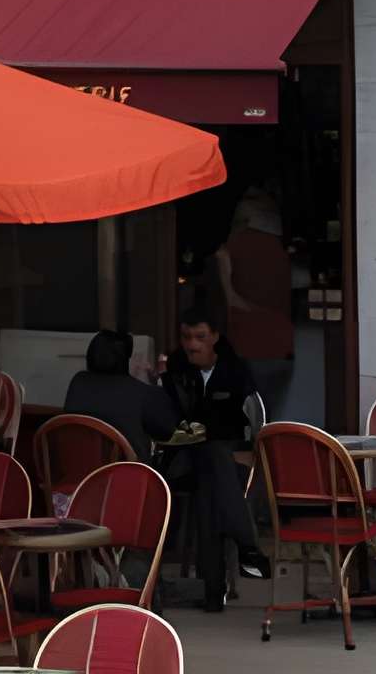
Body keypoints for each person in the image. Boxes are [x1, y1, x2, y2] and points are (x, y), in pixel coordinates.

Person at [160, 306, 271, 609]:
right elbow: (163, 419)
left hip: (228, 460)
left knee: (211, 489)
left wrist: (252, 454)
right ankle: (247, 543)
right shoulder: (176, 368)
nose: (192, 344)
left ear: (215, 338)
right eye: (186, 337)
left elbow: (257, 420)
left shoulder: (235, 371)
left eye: (200, 337)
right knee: (213, 462)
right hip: (184, 458)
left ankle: (213, 591)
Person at [214, 188, 296, 414]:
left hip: (247, 341)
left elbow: (229, 299)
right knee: (274, 413)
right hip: (282, 343)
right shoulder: (280, 249)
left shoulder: (233, 246)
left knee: (247, 416)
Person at [62, 327, 177, 453]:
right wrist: (163, 380)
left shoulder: (78, 382)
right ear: (125, 360)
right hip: (123, 471)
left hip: (75, 470)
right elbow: (168, 431)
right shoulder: (143, 393)